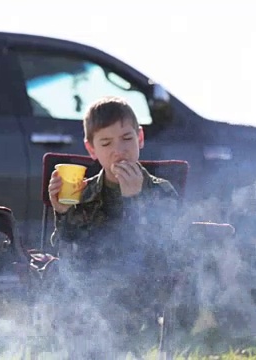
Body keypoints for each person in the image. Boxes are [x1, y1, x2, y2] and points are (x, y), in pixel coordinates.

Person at [46, 96, 181, 354]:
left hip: (140, 290)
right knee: (63, 285)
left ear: (140, 138)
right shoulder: (83, 193)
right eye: (106, 143)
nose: (119, 150)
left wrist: (135, 201)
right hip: (88, 289)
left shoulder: (161, 191)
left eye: (127, 139)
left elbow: (163, 253)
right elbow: (70, 252)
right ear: (92, 150)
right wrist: (62, 212)